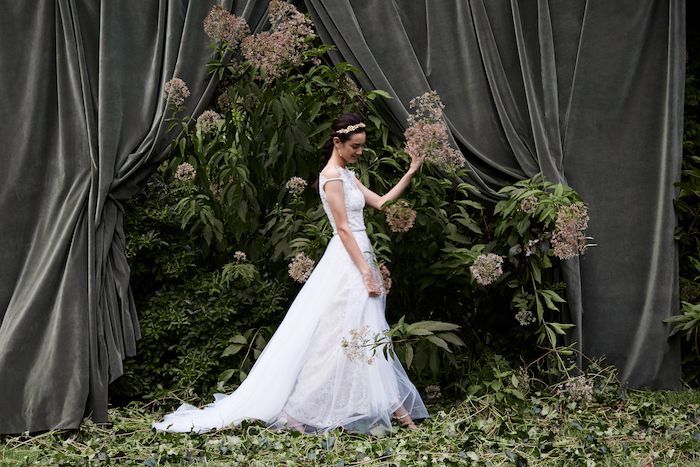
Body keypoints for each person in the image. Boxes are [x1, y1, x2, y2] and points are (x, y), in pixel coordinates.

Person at [153, 112, 428, 434]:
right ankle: (313, 410)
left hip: (359, 253)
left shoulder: (347, 174)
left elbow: (380, 203)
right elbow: (343, 228)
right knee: (353, 334)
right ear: (337, 143)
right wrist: (366, 271)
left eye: (362, 146)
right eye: (355, 146)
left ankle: (386, 411)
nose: (359, 152)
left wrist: (411, 170)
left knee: (365, 332)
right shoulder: (332, 177)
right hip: (348, 260)